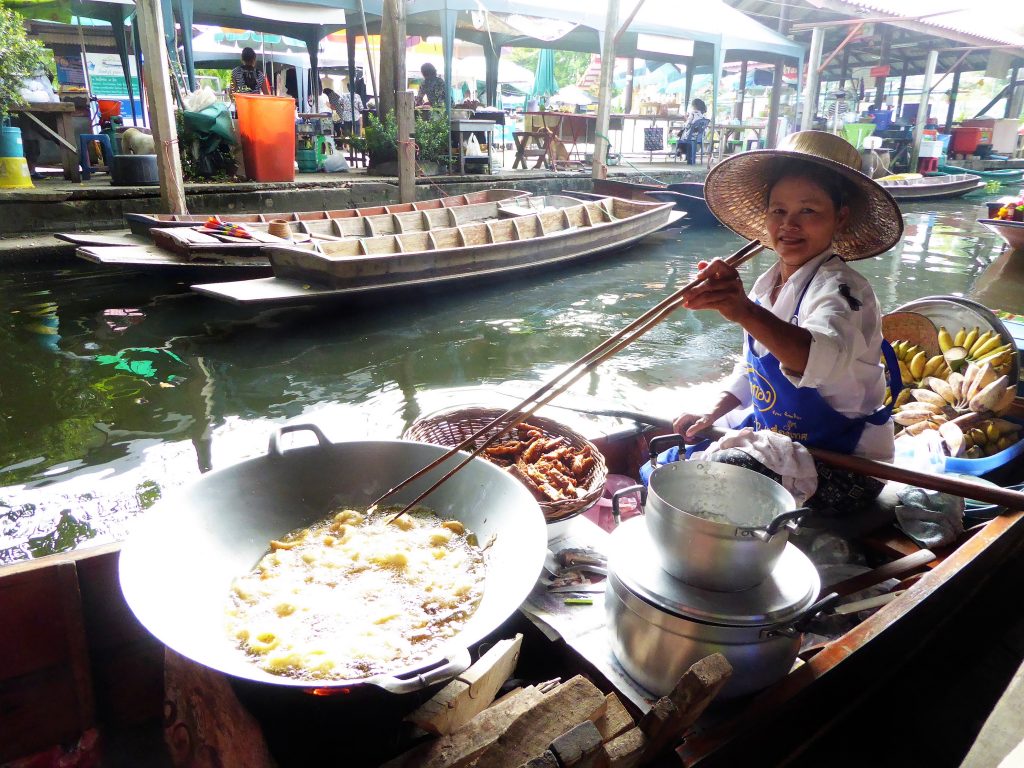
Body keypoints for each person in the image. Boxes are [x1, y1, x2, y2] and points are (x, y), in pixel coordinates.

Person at [667, 130, 905, 514]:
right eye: (779, 211)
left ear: (839, 218)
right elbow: (753, 368)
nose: (789, 225)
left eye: (808, 211)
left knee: (718, 476)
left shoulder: (845, 292)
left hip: (842, 465)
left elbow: (818, 359)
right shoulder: (768, 288)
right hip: (781, 445)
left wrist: (742, 310)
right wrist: (713, 412)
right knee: (680, 454)